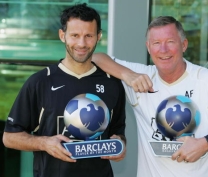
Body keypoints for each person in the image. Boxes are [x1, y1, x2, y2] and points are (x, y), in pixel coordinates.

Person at [92, 16, 208, 177]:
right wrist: (127, 75)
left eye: (170, 42)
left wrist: (205, 144)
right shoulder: (140, 77)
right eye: (156, 43)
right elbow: (95, 57)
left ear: (184, 45)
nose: (163, 49)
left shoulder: (206, 80)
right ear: (148, 47)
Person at [2, 3, 126, 177]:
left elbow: (118, 132)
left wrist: (119, 144)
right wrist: (44, 143)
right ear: (62, 35)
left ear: (98, 36)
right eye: (75, 35)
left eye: (89, 35)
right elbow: (9, 137)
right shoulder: (40, 82)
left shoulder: (112, 84)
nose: (81, 43)